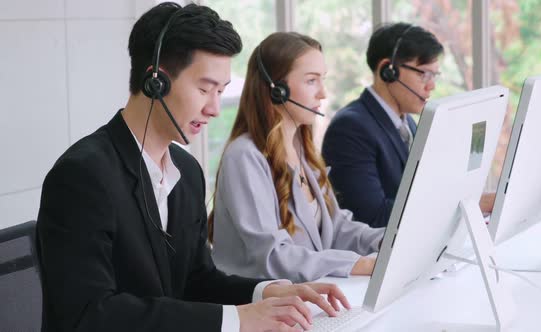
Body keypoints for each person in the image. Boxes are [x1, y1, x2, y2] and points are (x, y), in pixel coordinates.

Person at [36, 3, 349, 332]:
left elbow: (196, 280)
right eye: (204, 89)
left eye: (221, 91)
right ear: (155, 82)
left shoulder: (186, 172)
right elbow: (90, 314)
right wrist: (238, 320)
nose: (215, 108)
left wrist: (268, 292)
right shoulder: (83, 176)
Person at [208, 32, 384, 284]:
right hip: (260, 308)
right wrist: (359, 264)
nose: (322, 93)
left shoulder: (303, 151)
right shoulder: (245, 156)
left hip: (306, 298)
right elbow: (273, 255)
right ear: (277, 89)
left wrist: (391, 240)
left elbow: (338, 229)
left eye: (322, 80)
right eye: (311, 81)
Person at [322, 22, 495, 229]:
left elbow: (421, 194)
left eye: (434, 75)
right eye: (423, 74)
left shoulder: (407, 123)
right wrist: (467, 204)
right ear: (388, 70)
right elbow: (372, 216)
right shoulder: (350, 128)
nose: (431, 85)